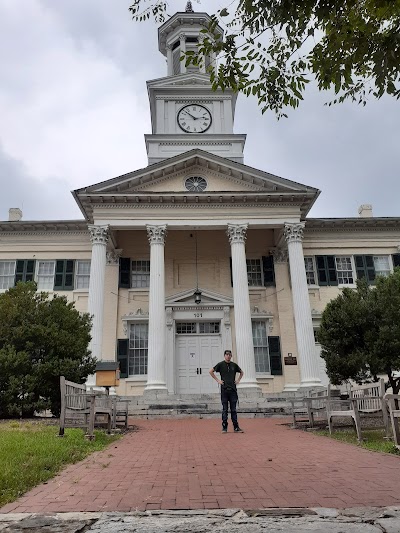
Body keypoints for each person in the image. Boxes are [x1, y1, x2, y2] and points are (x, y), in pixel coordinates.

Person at [209, 350, 244, 433]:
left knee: (233, 409)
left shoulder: (234, 365)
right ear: (224, 356)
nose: (228, 356)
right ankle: (224, 427)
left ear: (231, 356)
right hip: (224, 390)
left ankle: (236, 427)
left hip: (232, 390)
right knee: (225, 409)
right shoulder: (220, 365)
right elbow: (211, 371)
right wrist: (218, 380)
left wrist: (238, 380)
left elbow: (241, 372)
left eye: (229, 355)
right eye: (227, 355)